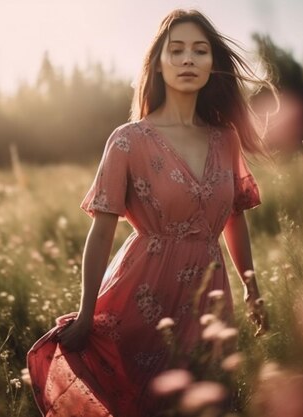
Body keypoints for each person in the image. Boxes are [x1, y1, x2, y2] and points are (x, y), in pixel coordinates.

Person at [27, 8, 275, 417]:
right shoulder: (128, 141)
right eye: (176, 51)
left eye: (199, 51)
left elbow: (235, 217)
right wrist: (87, 313)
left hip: (210, 298)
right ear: (159, 64)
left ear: (213, 63)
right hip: (142, 298)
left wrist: (252, 288)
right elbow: (102, 231)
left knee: (206, 401)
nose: (188, 60)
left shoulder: (225, 138)